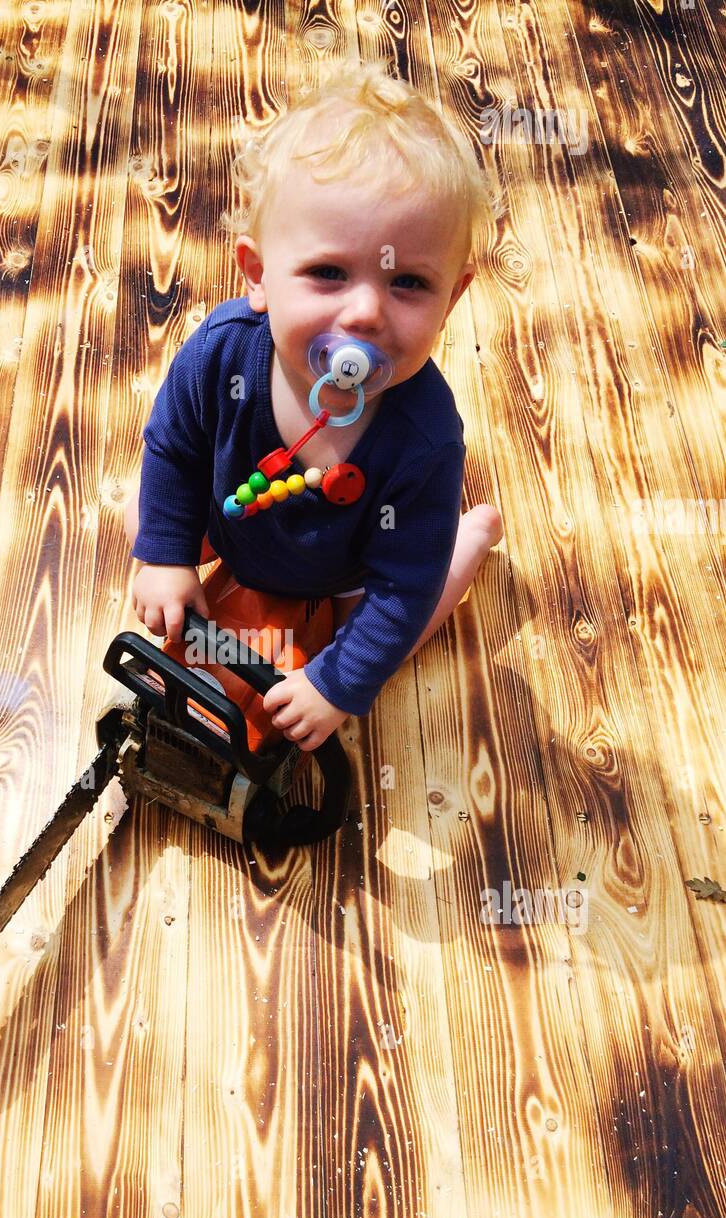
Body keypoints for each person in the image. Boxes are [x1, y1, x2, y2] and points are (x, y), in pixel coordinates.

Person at [124, 58, 504, 752]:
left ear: (453, 299)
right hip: (238, 514)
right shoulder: (221, 353)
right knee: (142, 515)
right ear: (258, 275)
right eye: (329, 273)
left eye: (410, 283)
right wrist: (166, 556)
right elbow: (173, 450)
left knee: (410, 616)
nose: (363, 312)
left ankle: (469, 541)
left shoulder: (426, 439)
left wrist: (335, 684)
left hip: (347, 577)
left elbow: (400, 588)